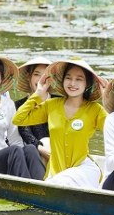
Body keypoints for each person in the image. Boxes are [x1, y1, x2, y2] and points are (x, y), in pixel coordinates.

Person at [12, 59, 107, 188]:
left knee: (61, 182)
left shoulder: (95, 109)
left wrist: (106, 102)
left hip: (84, 170)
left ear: (87, 84)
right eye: (68, 78)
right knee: (57, 182)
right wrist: (39, 93)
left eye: (79, 79)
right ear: (62, 81)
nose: (73, 83)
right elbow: (18, 119)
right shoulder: (51, 106)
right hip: (55, 173)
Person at [15, 57, 53, 164]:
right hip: (34, 154)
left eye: (45, 76)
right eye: (36, 74)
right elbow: (25, 133)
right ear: (29, 77)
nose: (41, 80)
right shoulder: (18, 105)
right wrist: (42, 149)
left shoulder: (60, 102)